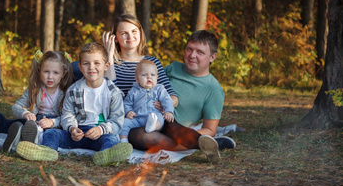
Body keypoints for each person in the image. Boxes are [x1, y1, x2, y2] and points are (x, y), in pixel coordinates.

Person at [15, 42, 133, 165]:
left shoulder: (114, 93)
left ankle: (107, 155)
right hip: (76, 134)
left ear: (106, 65)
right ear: (80, 67)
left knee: (112, 139)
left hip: (100, 134)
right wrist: (72, 128)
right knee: (52, 133)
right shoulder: (73, 90)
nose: (91, 67)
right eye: (86, 64)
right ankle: (47, 151)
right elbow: (67, 114)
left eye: (97, 63)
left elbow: (117, 121)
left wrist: (101, 129)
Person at [128, 30, 236, 162]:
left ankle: (199, 143)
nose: (192, 55)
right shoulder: (173, 68)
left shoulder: (213, 89)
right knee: (133, 135)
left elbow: (210, 129)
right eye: (189, 49)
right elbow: (148, 82)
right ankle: (200, 144)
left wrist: (187, 137)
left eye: (200, 52)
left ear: (212, 57)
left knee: (162, 131)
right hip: (146, 118)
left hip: (174, 126)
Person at [0, 50, 73, 152]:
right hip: (34, 121)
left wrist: (52, 122)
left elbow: (68, 116)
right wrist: (25, 113)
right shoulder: (35, 89)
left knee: (49, 134)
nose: (50, 76)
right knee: (18, 123)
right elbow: (16, 106)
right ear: (39, 69)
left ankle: (23, 138)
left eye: (55, 73)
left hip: (54, 125)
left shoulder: (66, 92)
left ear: (63, 74)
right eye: (46, 71)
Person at [119, 60, 174, 143]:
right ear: (137, 78)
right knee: (124, 123)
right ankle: (123, 141)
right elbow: (126, 103)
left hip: (154, 116)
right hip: (137, 118)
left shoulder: (159, 89)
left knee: (160, 119)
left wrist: (168, 111)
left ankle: (153, 126)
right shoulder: (133, 91)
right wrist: (129, 111)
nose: (149, 77)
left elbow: (167, 100)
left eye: (152, 75)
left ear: (157, 77)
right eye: (144, 75)